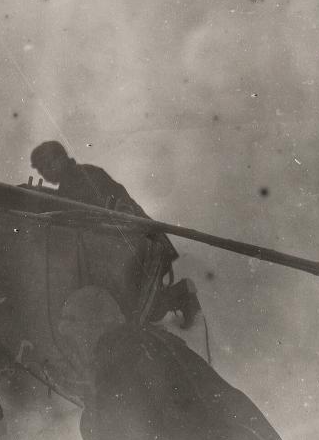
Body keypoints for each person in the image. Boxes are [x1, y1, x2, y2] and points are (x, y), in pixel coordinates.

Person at [29, 140, 201, 327]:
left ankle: (183, 293)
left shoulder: (85, 177)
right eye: (40, 171)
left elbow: (114, 210)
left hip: (138, 242)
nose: (44, 175)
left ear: (59, 159)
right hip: (124, 246)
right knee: (133, 306)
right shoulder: (73, 181)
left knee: (140, 310)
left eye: (45, 167)